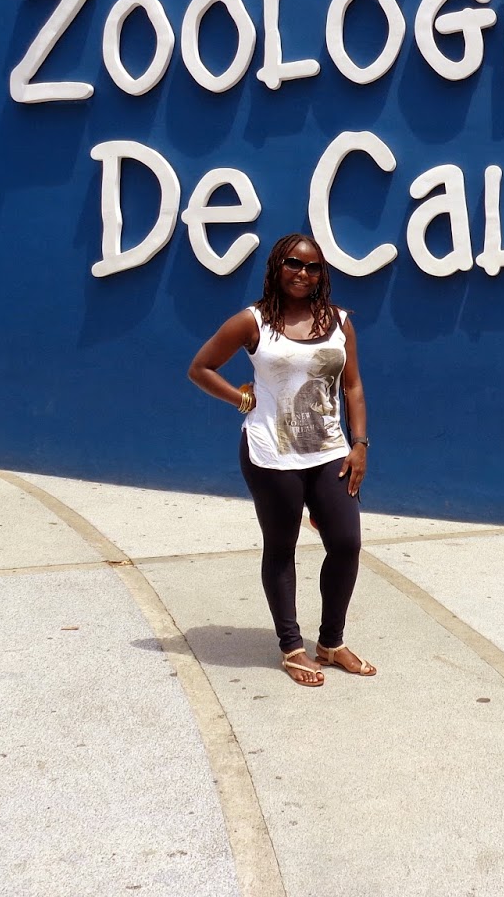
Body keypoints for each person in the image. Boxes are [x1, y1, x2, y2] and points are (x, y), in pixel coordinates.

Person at [188, 233, 375, 688]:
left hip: (330, 453)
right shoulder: (252, 322)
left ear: (322, 274)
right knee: (281, 547)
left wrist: (360, 444)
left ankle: (330, 642)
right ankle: (292, 647)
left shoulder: (339, 322)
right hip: (271, 453)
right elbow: (201, 368)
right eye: (294, 263)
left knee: (346, 543)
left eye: (313, 267)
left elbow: (352, 386)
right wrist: (240, 399)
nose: (303, 273)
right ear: (277, 266)